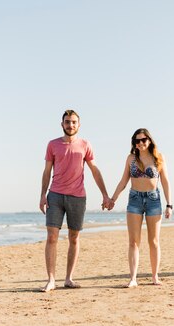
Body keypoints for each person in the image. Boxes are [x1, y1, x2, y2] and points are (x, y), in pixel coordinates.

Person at [39, 109, 111, 292]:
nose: (70, 125)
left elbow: (94, 170)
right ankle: (51, 280)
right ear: (62, 124)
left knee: (74, 237)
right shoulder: (53, 145)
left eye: (73, 122)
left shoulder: (85, 145)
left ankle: (69, 278)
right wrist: (42, 195)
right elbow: (47, 171)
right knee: (52, 236)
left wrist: (105, 194)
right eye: (67, 122)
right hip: (55, 195)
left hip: (78, 197)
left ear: (78, 125)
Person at [108, 128, 172, 288]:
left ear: (149, 140)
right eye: (137, 141)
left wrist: (169, 204)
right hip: (135, 199)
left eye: (143, 140)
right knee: (133, 241)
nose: (141, 143)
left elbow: (165, 182)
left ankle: (155, 276)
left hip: (153, 200)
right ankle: (133, 278)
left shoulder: (159, 157)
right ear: (134, 144)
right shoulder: (131, 158)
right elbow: (123, 181)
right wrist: (112, 199)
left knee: (154, 241)